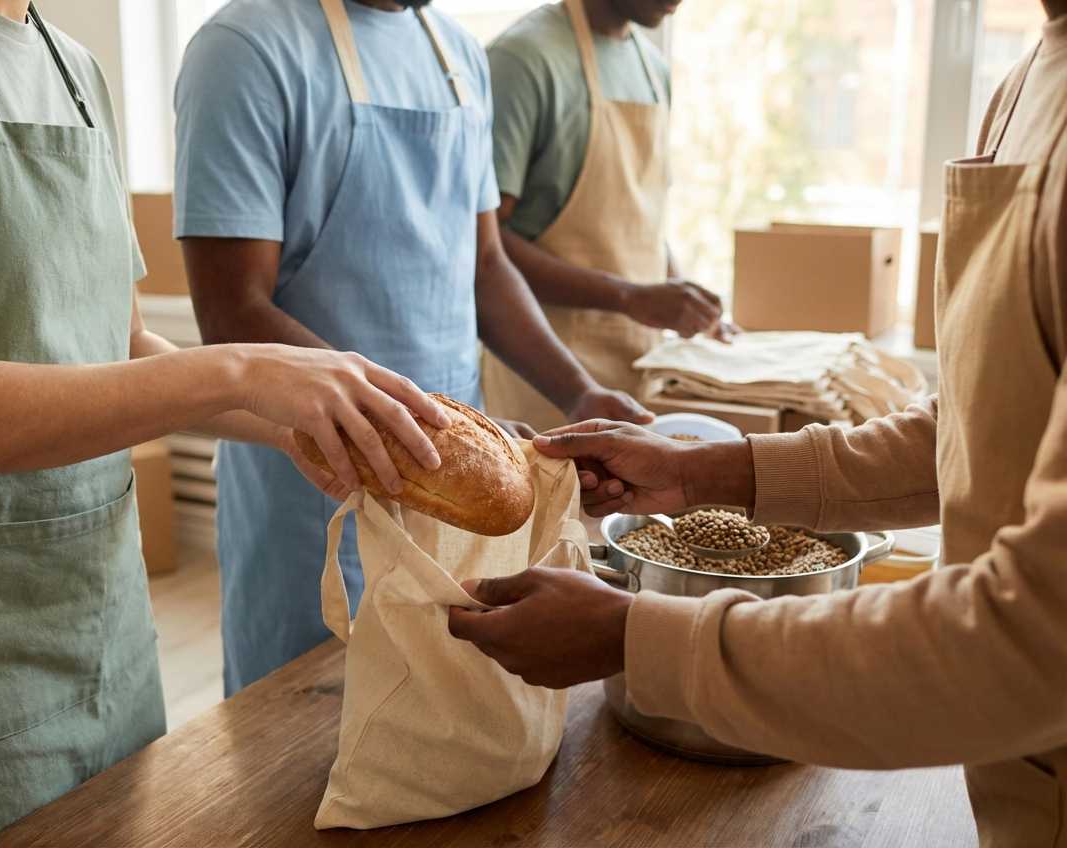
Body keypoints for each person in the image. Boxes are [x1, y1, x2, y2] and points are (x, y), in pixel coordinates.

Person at [0, 0, 454, 843]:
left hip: (101, 617)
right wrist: (243, 365)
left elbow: (119, 344)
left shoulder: (76, 69)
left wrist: (303, 419)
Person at [449, 5, 1067, 842]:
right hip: (1013, 779)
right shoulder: (1029, 78)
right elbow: (971, 430)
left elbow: (1039, 639)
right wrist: (700, 473)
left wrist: (635, 636)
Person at [173, 0, 652, 697]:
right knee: (304, 736)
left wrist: (578, 392)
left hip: (460, 482)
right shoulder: (244, 49)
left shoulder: (456, 54)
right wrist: (412, 422)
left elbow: (486, 264)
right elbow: (232, 311)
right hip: (319, 491)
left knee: (445, 718)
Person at [481, 0, 732, 433]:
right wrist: (628, 297)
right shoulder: (522, 61)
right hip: (547, 380)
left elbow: (642, 213)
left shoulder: (653, 68)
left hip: (637, 369)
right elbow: (485, 246)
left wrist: (688, 304)